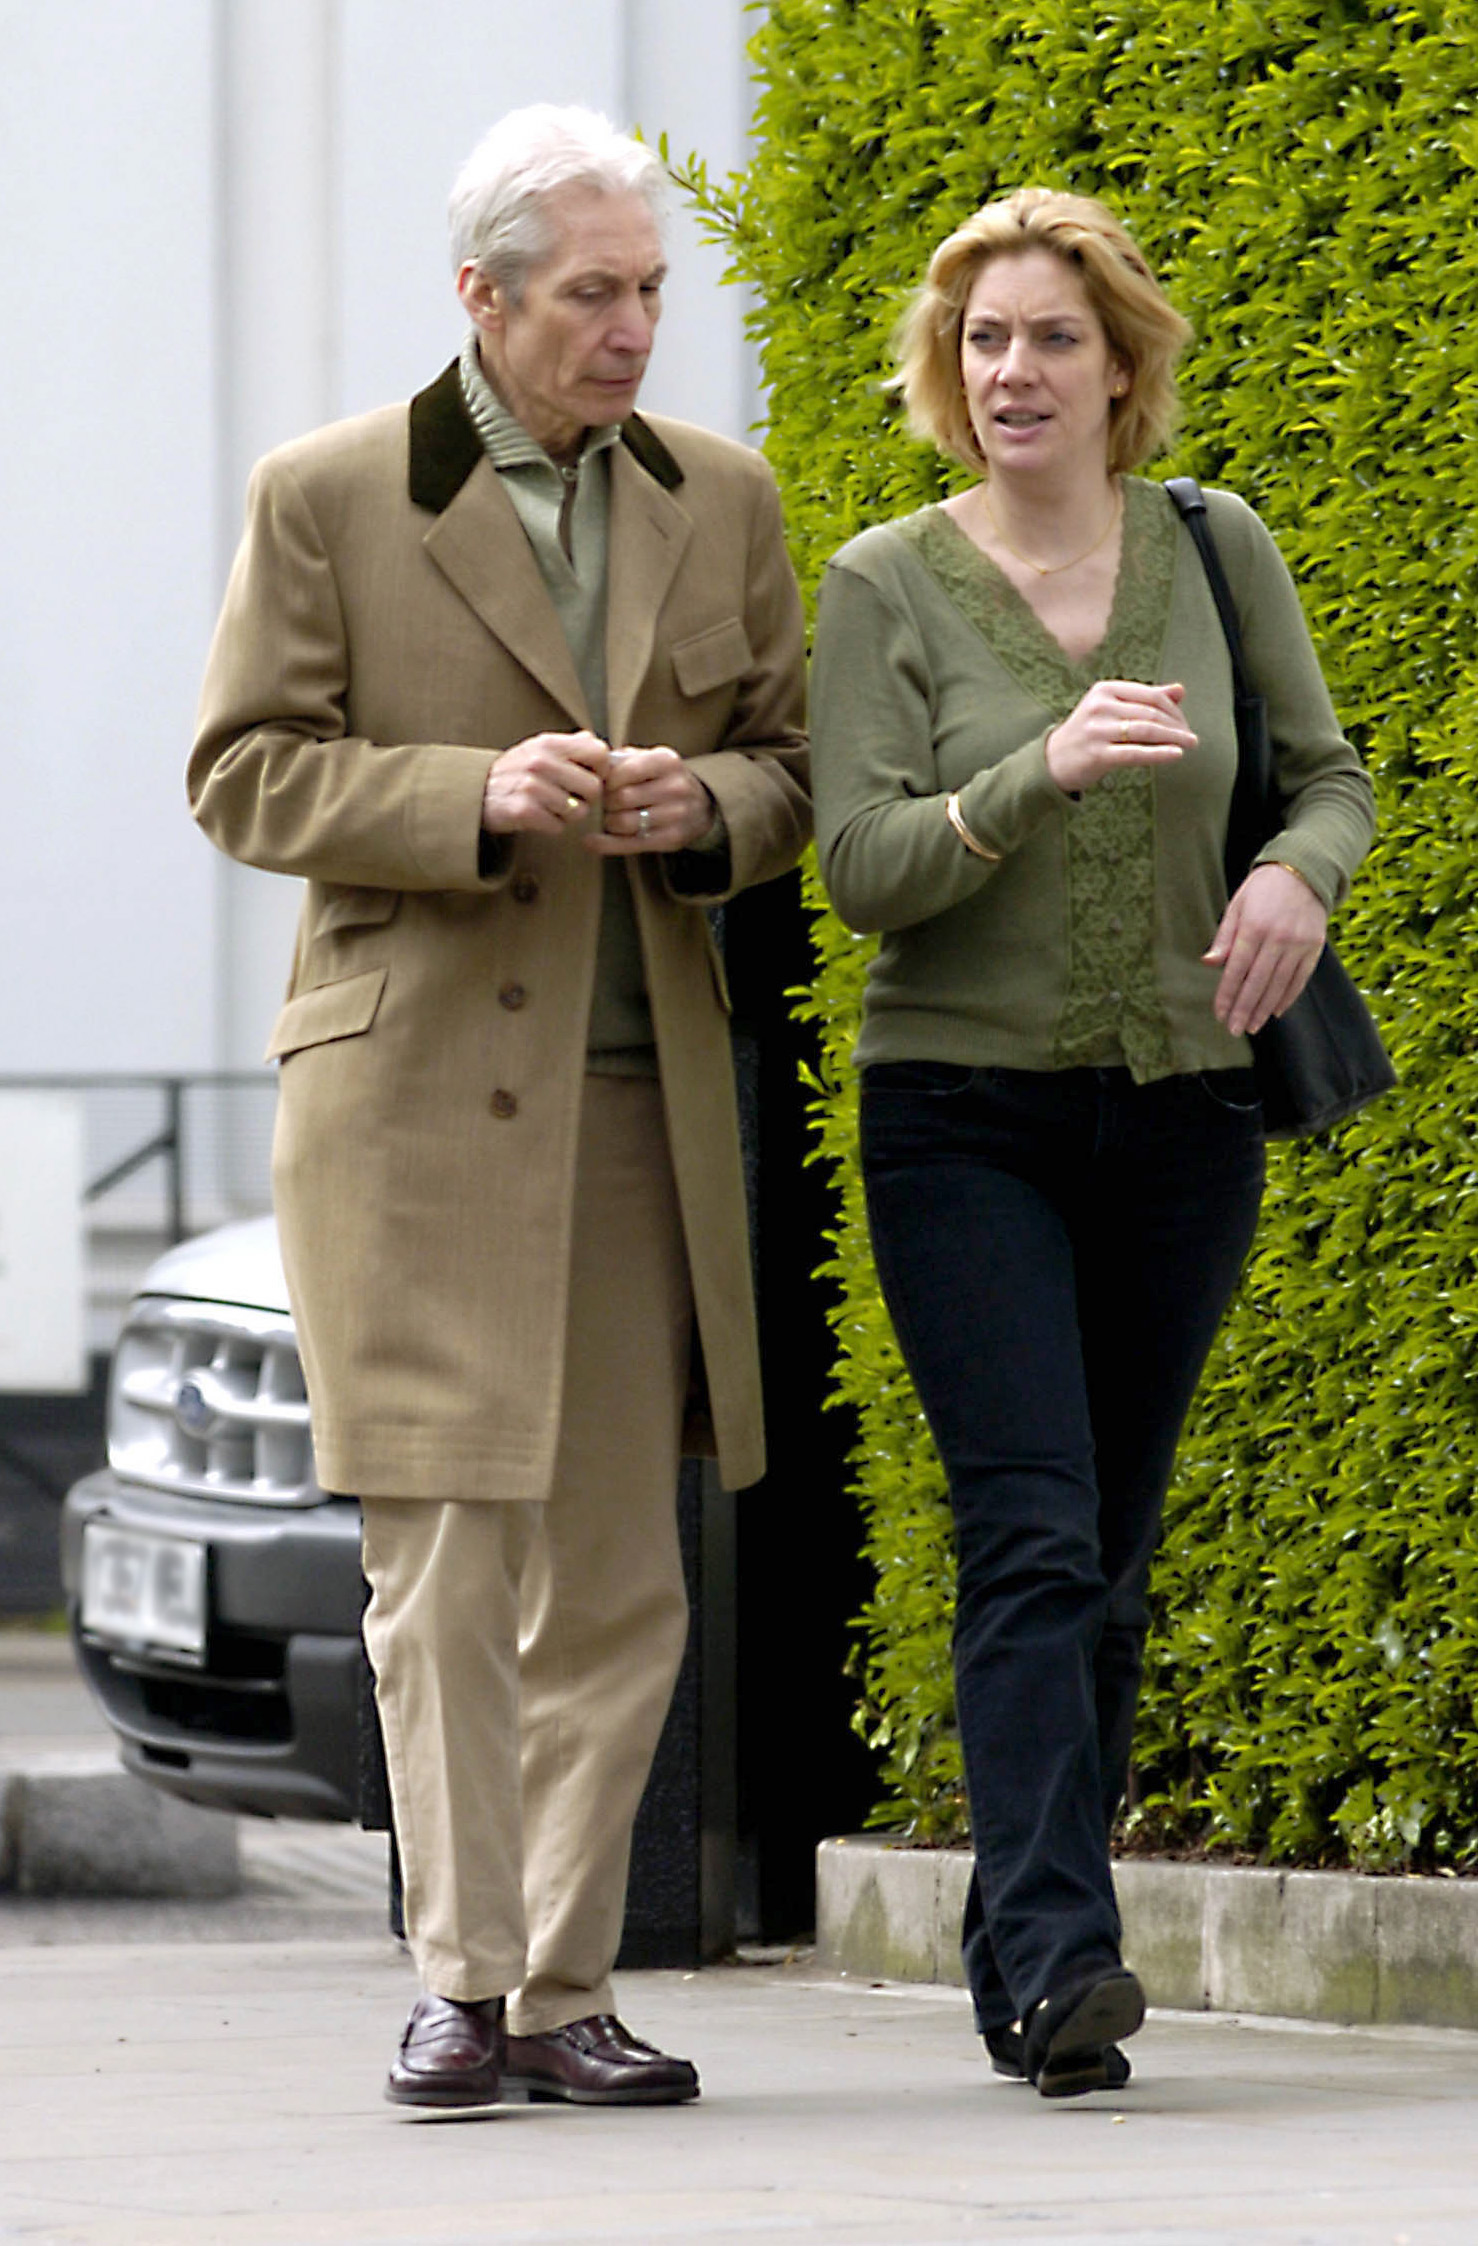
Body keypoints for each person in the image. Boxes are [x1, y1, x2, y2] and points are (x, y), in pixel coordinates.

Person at [189, 104, 808, 2113]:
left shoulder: (723, 496)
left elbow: (791, 769)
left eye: (651, 290)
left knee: (624, 1573)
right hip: (412, 1108)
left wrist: (695, 806)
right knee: (443, 1562)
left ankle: (562, 1987)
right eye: (596, 294)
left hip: (645, 1109)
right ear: (482, 296)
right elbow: (244, 772)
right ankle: (458, 1979)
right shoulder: (327, 493)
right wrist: (469, 796)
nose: (638, 328)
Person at [810, 188, 1374, 2097]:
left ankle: (1019, 1946)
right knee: (1030, 1523)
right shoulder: (889, 578)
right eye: (980, 341)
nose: (1011, 371)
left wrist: (1296, 877)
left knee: (1106, 1551)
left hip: (1186, 1120)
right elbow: (860, 869)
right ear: (943, 373)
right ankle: (1064, 1955)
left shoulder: (1213, 546)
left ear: (1120, 367)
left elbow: (1323, 775)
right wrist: (1022, 775)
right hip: (960, 1115)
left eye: (1050, 337)